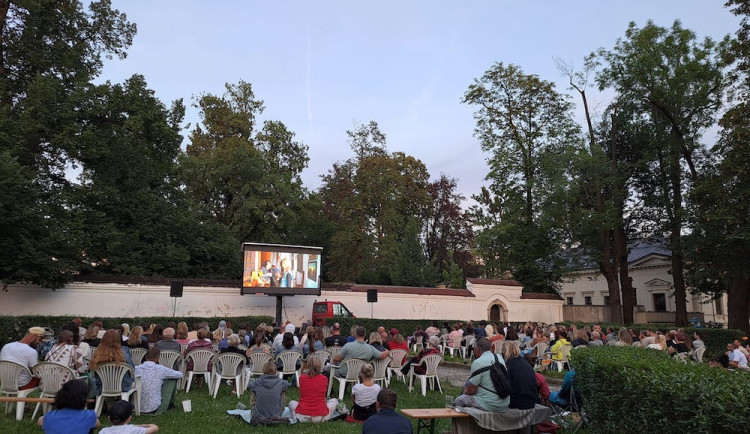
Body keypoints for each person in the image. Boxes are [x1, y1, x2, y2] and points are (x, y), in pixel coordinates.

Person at [453, 338, 509, 412]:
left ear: (477, 349)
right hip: (504, 403)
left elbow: (472, 390)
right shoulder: (499, 358)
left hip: (490, 404)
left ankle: (464, 423)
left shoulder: (478, 362)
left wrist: (464, 393)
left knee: (459, 400)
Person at [288, 356, 339, 422]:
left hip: (302, 415)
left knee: (292, 403)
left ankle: (296, 417)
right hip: (321, 415)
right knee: (334, 400)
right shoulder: (324, 379)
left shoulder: (302, 378)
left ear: (308, 366)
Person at [134, 348, 183, 414]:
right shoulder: (161, 369)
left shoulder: (136, 368)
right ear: (158, 358)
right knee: (172, 379)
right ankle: (171, 404)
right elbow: (180, 375)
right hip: (154, 407)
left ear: (146, 357)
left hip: (136, 407)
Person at [90, 329, 135, 396]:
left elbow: (92, 372)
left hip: (102, 387)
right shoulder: (124, 355)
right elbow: (132, 370)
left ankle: (107, 404)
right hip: (123, 387)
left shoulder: (96, 355)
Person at [502, 340, 537, 410]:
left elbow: (504, 388)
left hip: (516, 403)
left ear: (504, 352)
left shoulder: (508, 365)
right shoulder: (525, 363)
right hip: (531, 401)